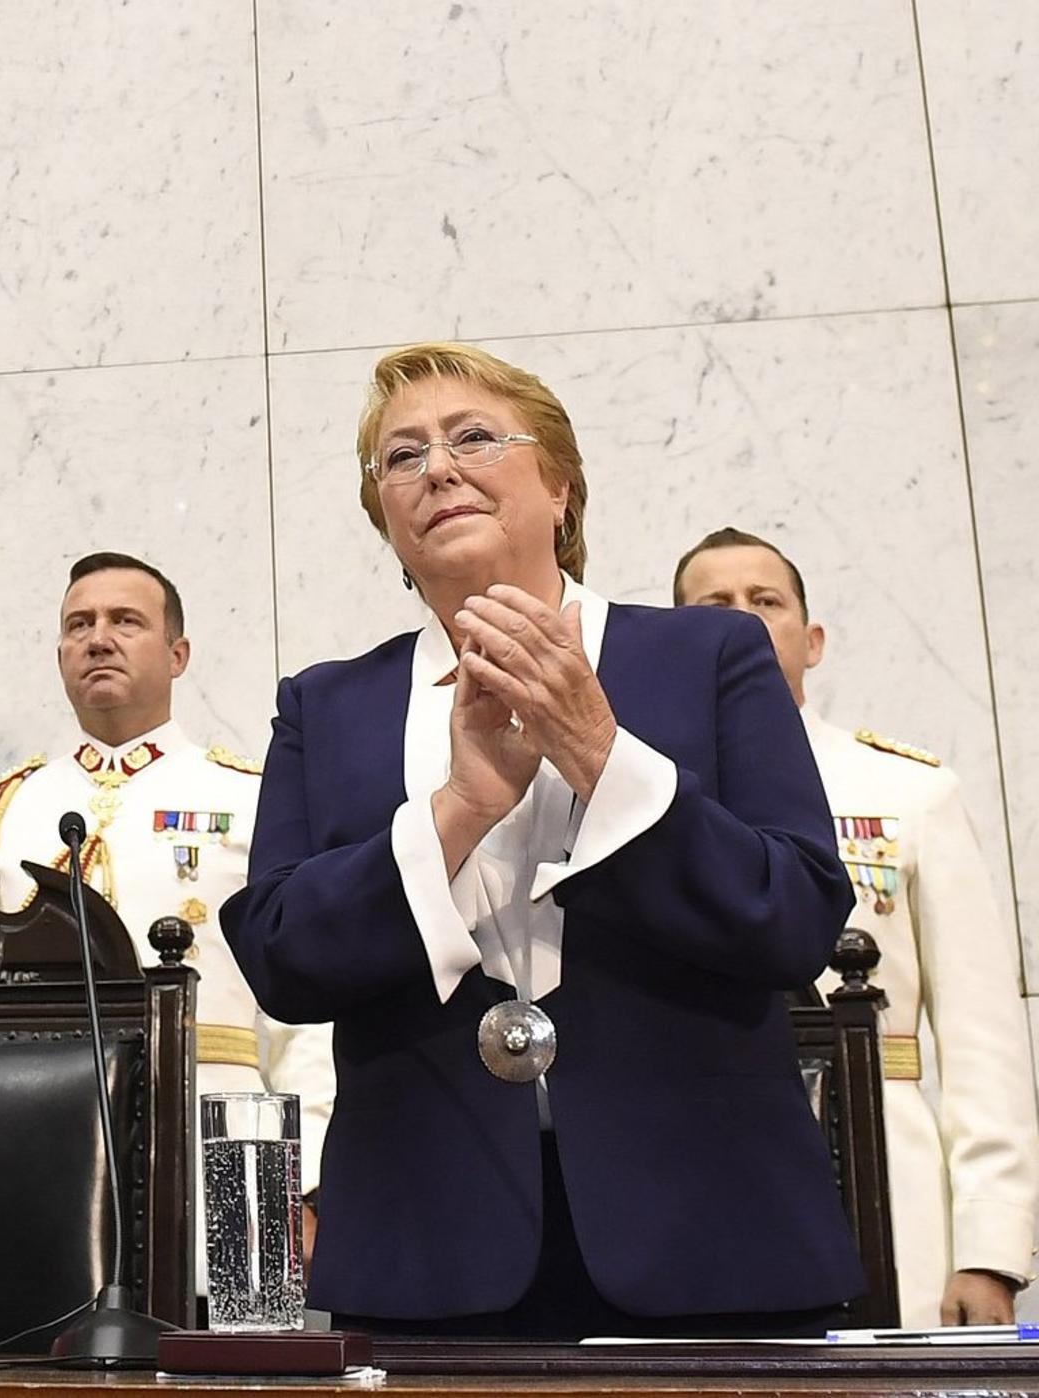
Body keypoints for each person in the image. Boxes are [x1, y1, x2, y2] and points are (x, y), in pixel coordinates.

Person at [222, 342, 864, 1337]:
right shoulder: (326, 703)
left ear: (560, 488)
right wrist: (457, 811)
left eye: (473, 437)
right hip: (422, 1249)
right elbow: (280, 958)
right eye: (400, 457)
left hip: (710, 1238)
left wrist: (598, 753)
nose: (435, 469)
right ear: (387, 523)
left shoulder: (704, 655)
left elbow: (792, 920)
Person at [674, 527, 1039, 1327]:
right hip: (696, 1174)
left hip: (889, 1174)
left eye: (765, 601)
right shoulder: (649, 801)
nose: (742, 620)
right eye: (715, 605)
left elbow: (984, 1037)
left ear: (813, 640)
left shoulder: (909, 792)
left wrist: (990, 1249)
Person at [0, 551, 336, 1271]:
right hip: (41, 1138)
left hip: (227, 1134)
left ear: (177, 653)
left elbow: (307, 1008)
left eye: (126, 621)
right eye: (80, 624)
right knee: (38, 1346)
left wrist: (306, 1178)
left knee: (226, 1351)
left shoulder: (252, 799)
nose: (98, 638)